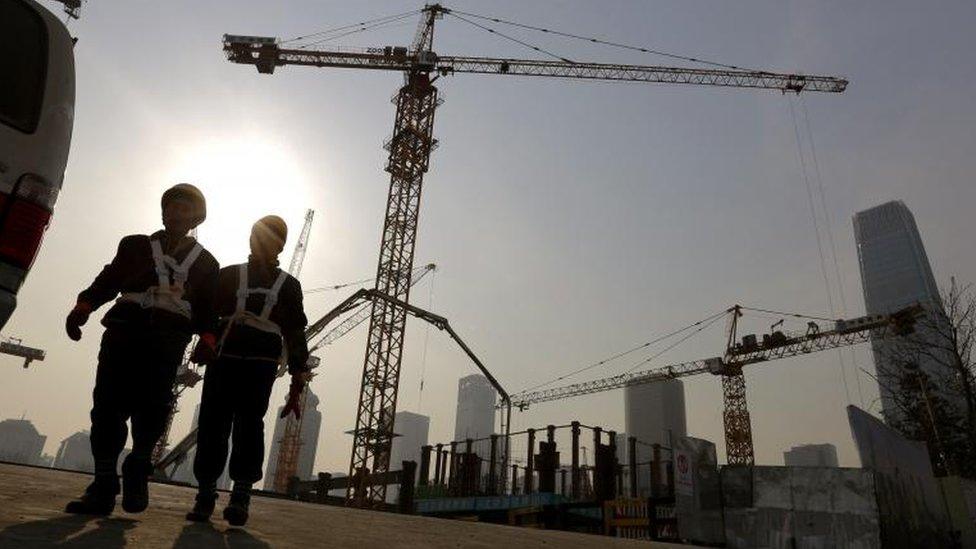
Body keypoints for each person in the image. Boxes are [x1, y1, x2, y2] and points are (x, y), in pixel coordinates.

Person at [64, 183, 220, 515]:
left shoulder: (207, 262)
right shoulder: (134, 245)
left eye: (184, 208)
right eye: (171, 207)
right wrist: (84, 305)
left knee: (153, 407)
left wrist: (208, 339)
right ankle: (103, 486)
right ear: (163, 212)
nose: (176, 212)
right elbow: (108, 279)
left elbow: (208, 307)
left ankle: (138, 466)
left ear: (196, 217)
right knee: (107, 406)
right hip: (124, 330)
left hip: (168, 339)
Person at [186, 215, 310, 526]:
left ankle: (241, 495)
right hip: (224, 356)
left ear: (281, 245)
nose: (263, 242)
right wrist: (205, 338)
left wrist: (298, 372)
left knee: (249, 425)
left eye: (271, 238)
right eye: (259, 236)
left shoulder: (289, 286)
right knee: (213, 424)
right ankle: (205, 493)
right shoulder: (227, 275)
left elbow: (295, 330)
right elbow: (207, 315)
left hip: (261, 363)